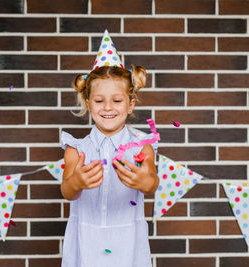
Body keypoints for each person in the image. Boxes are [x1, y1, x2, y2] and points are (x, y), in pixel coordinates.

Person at [60, 30, 159, 267]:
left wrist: (142, 180)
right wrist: (77, 182)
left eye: (116, 100)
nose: (108, 107)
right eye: (99, 100)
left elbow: (152, 184)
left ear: (130, 103)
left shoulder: (142, 148)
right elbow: (67, 191)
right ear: (88, 103)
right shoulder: (76, 148)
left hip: (128, 241)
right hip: (85, 240)